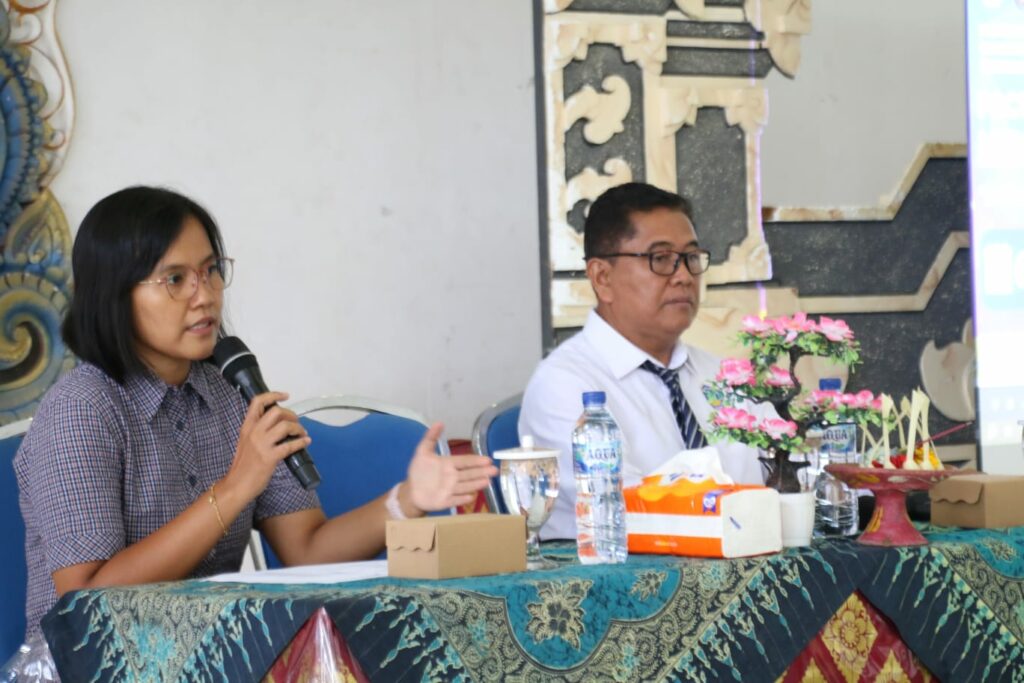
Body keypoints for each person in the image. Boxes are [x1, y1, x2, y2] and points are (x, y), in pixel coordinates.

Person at [11, 186, 498, 654]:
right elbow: (86, 601)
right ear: (115, 294)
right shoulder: (83, 408)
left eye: (211, 271)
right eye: (175, 280)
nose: (205, 295)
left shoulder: (229, 393)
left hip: (207, 657)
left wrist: (408, 498)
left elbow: (307, 550)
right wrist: (236, 487)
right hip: (93, 663)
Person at [519, 182, 769, 540]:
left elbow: (784, 473)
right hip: (621, 572)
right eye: (661, 259)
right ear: (602, 277)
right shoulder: (565, 386)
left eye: (691, 258)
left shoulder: (722, 375)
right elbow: (631, 512)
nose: (683, 276)